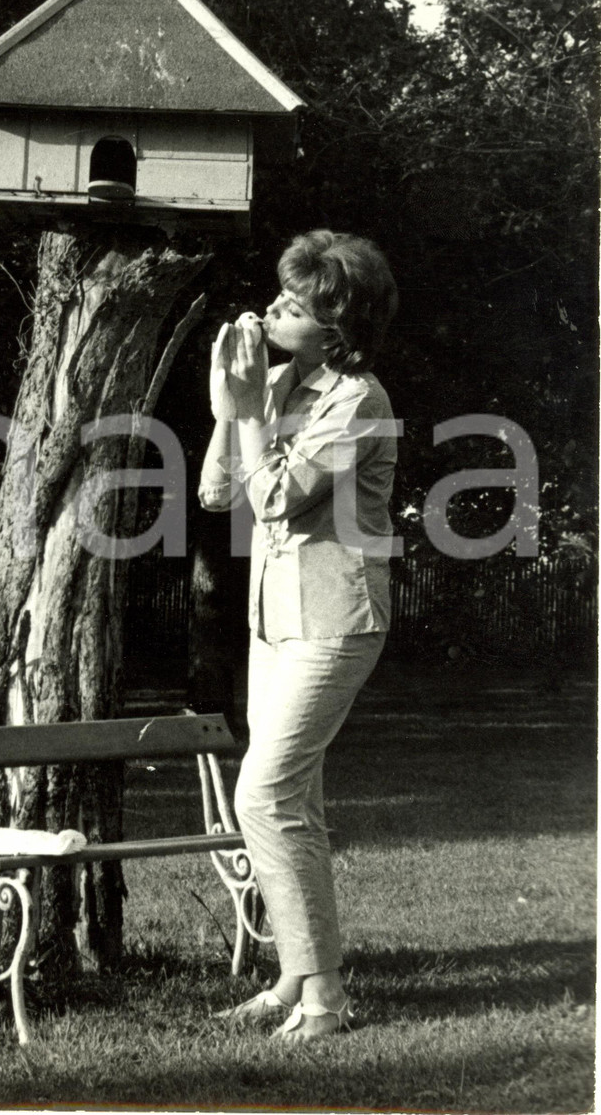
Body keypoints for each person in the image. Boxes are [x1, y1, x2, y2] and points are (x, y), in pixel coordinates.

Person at [199, 229, 398, 1042]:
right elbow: (218, 491)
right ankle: (294, 978)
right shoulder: (281, 381)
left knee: (263, 794)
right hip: (275, 621)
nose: (272, 307)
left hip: (337, 621)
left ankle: (328, 1000)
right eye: (278, 296)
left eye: (293, 303)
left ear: (336, 330)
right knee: (296, 803)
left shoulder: (360, 400)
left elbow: (275, 499)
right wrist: (229, 401)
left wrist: (250, 413)